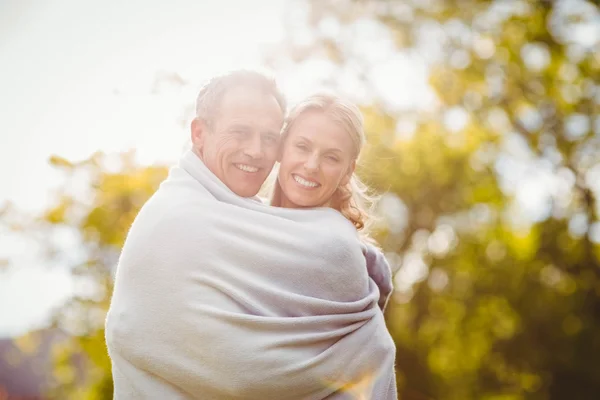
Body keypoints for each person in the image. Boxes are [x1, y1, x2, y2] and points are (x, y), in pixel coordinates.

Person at [105, 70, 397, 399]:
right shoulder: (177, 216)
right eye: (240, 132)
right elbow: (231, 366)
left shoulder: (327, 241)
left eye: (269, 137)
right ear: (199, 132)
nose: (256, 151)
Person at [270, 93, 393, 310]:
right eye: (302, 146)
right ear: (281, 147)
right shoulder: (238, 220)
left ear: (347, 171)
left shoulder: (363, 265)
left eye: (331, 157)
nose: (311, 165)